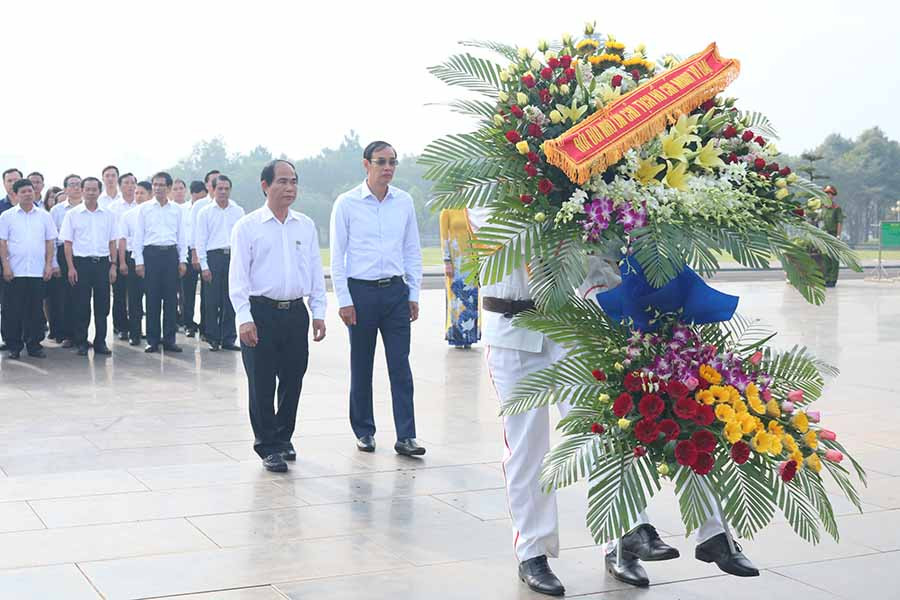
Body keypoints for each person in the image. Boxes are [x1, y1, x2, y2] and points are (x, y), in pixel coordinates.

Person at [470, 207, 757, 595]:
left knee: (605, 435)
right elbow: (513, 234)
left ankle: (624, 540)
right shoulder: (491, 191)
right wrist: (568, 206)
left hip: (573, 327)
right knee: (526, 449)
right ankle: (532, 552)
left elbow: (595, 254)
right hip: (513, 331)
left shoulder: (572, 171)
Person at [229, 160, 326, 473]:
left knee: (293, 378)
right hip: (261, 312)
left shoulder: (305, 225)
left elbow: (313, 270)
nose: (289, 188)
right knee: (261, 382)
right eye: (282, 181)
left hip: (295, 311)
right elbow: (238, 277)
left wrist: (318, 312)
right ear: (265, 185)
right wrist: (244, 317)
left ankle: (284, 437)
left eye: (294, 181)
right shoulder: (247, 227)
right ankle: (267, 445)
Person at [330, 141, 424, 457]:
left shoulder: (404, 202)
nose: (388, 168)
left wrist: (413, 293)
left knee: (400, 365)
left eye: (393, 162)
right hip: (362, 293)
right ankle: (364, 430)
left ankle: (406, 435)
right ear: (366, 164)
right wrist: (344, 299)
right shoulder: (346, 203)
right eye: (381, 161)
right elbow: (337, 256)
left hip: (396, 293)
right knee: (362, 364)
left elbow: (412, 250)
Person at [59, 176, 118, 356]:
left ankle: (100, 342)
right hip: (81, 264)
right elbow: (67, 244)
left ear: (99, 192)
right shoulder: (72, 214)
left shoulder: (108, 215)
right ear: (82, 191)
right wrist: (71, 267)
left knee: (102, 306)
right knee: (81, 305)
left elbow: (112, 242)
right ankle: (81, 341)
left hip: (102, 264)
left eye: (94, 189)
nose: (91, 192)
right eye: (88, 189)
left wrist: (113, 265)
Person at [0, 179, 56, 358]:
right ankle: (14, 346)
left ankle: (34, 344)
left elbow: (49, 242)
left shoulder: (44, 216)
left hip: (37, 271)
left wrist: (49, 265)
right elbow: (2, 242)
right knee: (12, 310)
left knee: (35, 310)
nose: (27, 194)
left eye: (30, 191)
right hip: (14, 271)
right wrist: (6, 266)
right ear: (15, 194)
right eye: (23, 191)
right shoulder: (7, 216)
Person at [134, 171, 187, 353]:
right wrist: (139, 262)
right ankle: (152, 340)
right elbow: (138, 236)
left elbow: (182, 237)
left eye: (162, 185)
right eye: (155, 185)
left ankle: (170, 339)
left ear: (169, 188)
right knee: (152, 299)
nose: (157, 188)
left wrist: (182, 260)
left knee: (171, 300)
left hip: (171, 255)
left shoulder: (177, 210)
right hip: (151, 255)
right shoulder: (144, 209)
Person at [196, 175, 243, 351]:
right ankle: (213, 337)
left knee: (230, 299)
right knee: (212, 301)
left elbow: (243, 239)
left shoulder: (238, 211)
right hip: (213, 257)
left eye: (226, 189)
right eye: (220, 189)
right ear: (213, 190)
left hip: (232, 257)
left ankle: (228, 338)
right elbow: (200, 241)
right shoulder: (205, 212)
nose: (223, 192)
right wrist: (204, 266)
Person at [49, 175, 83, 346]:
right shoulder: (57, 210)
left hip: (83, 254)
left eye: (79, 184)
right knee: (66, 296)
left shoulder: (89, 207)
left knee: (83, 297)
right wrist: (54, 263)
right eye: (72, 185)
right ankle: (68, 335)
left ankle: (82, 334)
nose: (76, 188)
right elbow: (52, 240)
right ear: (65, 189)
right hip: (63, 253)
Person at [439, 208, 480, 348]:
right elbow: (443, 237)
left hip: (471, 261)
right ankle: (457, 337)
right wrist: (446, 261)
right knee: (456, 300)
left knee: (471, 300)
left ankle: (469, 337)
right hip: (456, 262)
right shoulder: (447, 211)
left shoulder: (471, 210)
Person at [117, 181, 151, 345]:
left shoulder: (154, 214)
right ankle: (135, 333)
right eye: (136, 193)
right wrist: (122, 261)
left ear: (150, 195)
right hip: (132, 260)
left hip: (151, 258)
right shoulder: (128, 215)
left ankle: (153, 333)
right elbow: (122, 240)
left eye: (142, 193)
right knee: (134, 298)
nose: (138, 196)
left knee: (152, 297)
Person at [190, 169, 219, 341]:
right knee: (208, 295)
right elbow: (194, 233)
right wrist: (195, 255)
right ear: (207, 185)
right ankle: (206, 329)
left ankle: (221, 332)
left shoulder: (232, 207)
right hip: (205, 254)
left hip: (224, 256)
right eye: (214, 181)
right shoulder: (200, 205)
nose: (218, 184)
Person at [109, 173, 138, 340]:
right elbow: (113, 235)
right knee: (119, 292)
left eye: (133, 183)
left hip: (137, 254)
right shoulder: (114, 207)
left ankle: (135, 326)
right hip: (120, 252)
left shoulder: (141, 205)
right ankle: (121, 326)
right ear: (120, 186)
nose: (130, 186)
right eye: (126, 183)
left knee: (135, 293)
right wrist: (117, 260)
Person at [181, 180, 208, 338]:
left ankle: (205, 325)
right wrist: (192, 253)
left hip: (205, 253)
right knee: (188, 292)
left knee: (206, 294)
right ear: (192, 194)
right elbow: (188, 232)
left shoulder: (207, 207)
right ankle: (188, 324)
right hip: (189, 252)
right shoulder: (183, 209)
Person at [0, 168, 23, 351]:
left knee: (28, 303)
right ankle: (10, 339)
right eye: (9, 180)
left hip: (27, 265)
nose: (13, 183)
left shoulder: (34, 207)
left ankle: (28, 337)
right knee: (7, 304)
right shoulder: (1, 208)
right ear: (4, 183)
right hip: (4, 264)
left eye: (17, 179)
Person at [821, 185, 844, 287]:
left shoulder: (837, 208)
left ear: (833, 195)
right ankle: (826, 278)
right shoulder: (822, 207)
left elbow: (839, 222)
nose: (828, 195)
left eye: (829, 193)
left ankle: (833, 279)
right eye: (826, 193)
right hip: (824, 235)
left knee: (834, 258)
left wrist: (838, 236)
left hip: (833, 234)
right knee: (825, 257)